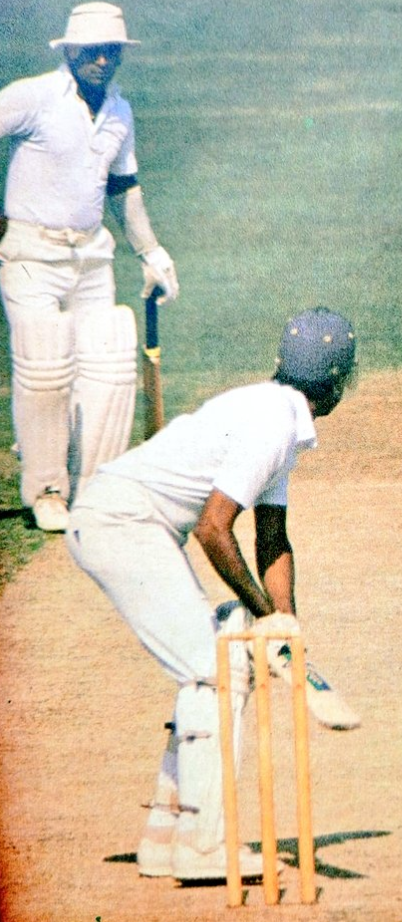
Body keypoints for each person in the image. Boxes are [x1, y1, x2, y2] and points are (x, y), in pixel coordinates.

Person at [66, 307, 357, 882]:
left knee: (216, 657)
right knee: (213, 670)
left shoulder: (271, 411)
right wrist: (262, 614)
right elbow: (213, 528)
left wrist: (283, 629)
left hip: (125, 522)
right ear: (337, 384)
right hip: (123, 524)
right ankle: (203, 844)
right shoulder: (274, 424)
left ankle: (166, 835)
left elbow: (272, 536)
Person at [0, 2, 179, 532]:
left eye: (112, 51)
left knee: (105, 369)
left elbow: (124, 188)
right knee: (45, 372)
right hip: (31, 254)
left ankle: (93, 485)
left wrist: (151, 252)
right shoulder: (34, 96)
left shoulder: (119, 112)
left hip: (91, 257)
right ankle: (47, 489)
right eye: (92, 50)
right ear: (69, 50)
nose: (102, 60)